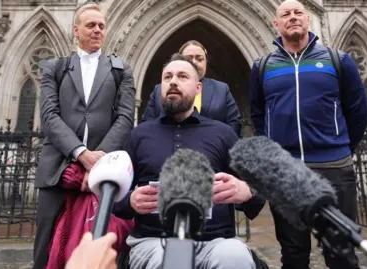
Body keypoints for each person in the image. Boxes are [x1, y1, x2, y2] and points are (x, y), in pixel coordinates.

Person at [114, 53, 265, 269]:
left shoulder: (222, 134)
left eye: (182, 76)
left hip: (215, 242)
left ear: (198, 88)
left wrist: (247, 190)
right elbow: (112, 198)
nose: (173, 81)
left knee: (235, 258)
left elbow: (260, 187)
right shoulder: (139, 135)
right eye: (167, 77)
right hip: (154, 242)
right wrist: (130, 201)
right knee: (172, 263)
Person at [248, 0, 367, 268]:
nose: (292, 17)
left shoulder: (338, 61)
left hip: (334, 169)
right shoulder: (262, 66)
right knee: (293, 254)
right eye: (285, 14)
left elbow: (359, 112)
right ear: (275, 23)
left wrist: (342, 148)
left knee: (341, 252)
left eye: (297, 12)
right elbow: (258, 114)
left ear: (308, 19)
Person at [33, 2, 136, 269]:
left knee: (101, 242)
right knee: (45, 248)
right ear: (75, 30)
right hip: (57, 169)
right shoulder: (54, 68)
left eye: (101, 26)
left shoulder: (121, 70)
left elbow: (125, 118)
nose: (97, 30)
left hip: (105, 172)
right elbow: (49, 117)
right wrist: (82, 154)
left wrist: (98, 163)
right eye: (91, 25)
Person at [141, 40, 242, 136]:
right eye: (189, 58)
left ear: (206, 62)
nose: (194, 62)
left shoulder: (222, 89)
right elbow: (147, 123)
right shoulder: (160, 90)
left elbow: (234, 124)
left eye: (199, 59)